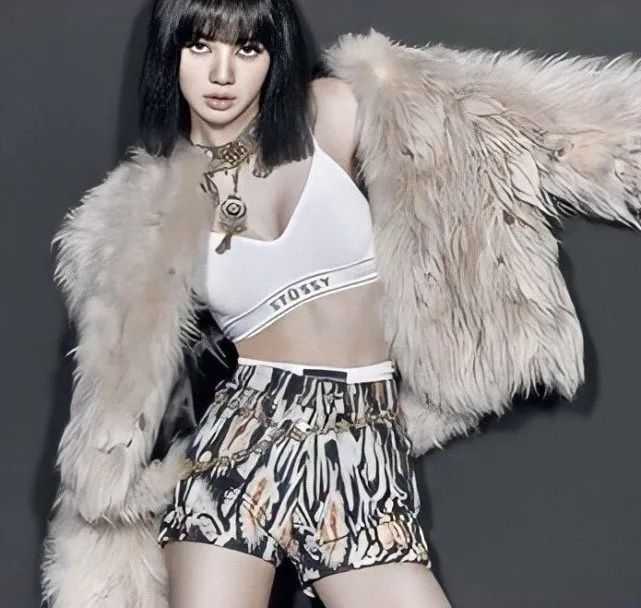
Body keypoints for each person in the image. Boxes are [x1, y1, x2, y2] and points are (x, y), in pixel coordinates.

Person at [42, 0, 641, 606]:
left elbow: (512, 122)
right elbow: (118, 375)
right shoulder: (148, 204)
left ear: (273, 55)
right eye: (200, 46)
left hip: (363, 446)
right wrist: (107, 485)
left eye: (247, 48)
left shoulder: (330, 112)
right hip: (240, 448)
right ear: (169, 54)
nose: (222, 73)